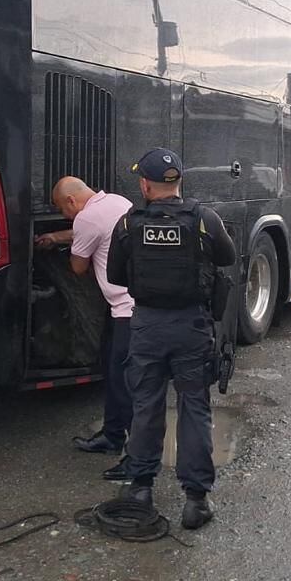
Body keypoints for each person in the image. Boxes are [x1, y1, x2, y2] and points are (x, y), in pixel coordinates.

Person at [107, 147, 236, 529]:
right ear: (179, 182)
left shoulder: (128, 223)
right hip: (191, 327)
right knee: (194, 408)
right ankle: (195, 500)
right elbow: (226, 258)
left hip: (146, 326)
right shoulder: (204, 220)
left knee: (146, 405)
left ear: (144, 185)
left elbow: (116, 276)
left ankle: (141, 488)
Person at [35, 177, 136, 480]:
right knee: (110, 368)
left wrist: (58, 246)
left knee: (124, 382)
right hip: (128, 306)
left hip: (128, 311)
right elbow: (90, 232)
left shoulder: (87, 218)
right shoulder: (118, 202)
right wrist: (57, 236)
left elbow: (79, 267)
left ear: (70, 202)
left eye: (61, 209)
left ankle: (135, 457)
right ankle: (112, 434)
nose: (65, 215)